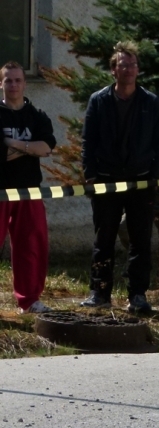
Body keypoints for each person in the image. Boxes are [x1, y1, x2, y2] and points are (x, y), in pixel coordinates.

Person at [80, 41, 159, 314]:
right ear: (113, 70)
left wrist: (155, 176)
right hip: (106, 180)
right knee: (103, 238)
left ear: (138, 70)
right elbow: (88, 141)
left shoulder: (150, 102)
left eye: (132, 64)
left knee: (140, 240)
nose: (127, 69)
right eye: (122, 65)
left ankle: (137, 295)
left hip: (141, 182)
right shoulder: (99, 100)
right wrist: (90, 175)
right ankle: (99, 293)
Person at [0, 61, 56, 314]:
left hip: (30, 191)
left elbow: (46, 147)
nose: (13, 85)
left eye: (17, 80)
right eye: (8, 80)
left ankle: (29, 300)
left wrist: (11, 143)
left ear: (25, 83)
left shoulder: (37, 115)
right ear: (1, 84)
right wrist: (30, 148)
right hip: (1, 191)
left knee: (31, 245)